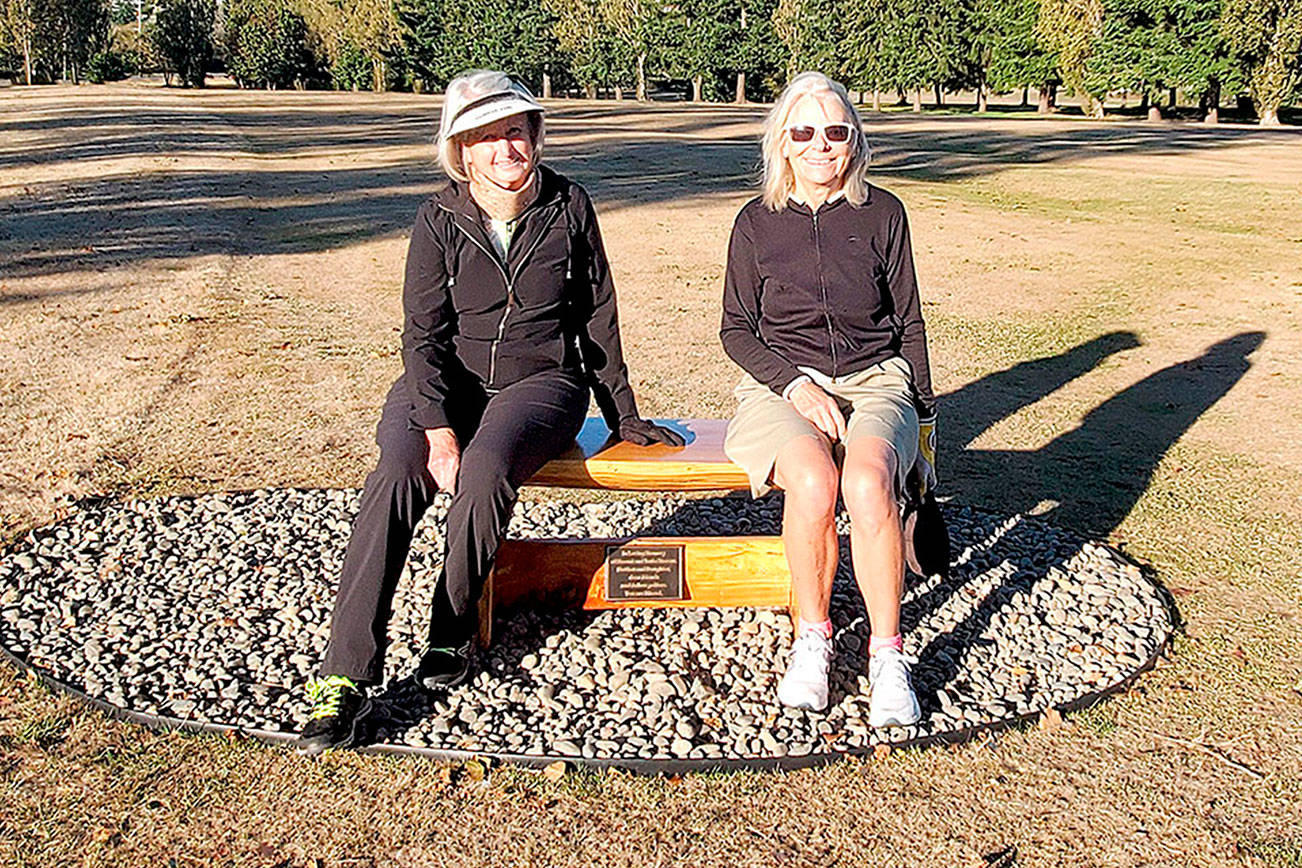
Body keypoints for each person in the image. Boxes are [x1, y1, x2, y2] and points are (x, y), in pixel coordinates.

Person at [295, 70, 682, 755]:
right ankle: (344, 677)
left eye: (515, 130)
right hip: (448, 381)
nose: (505, 148)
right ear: (461, 153)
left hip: (541, 384)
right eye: (485, 136)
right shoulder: (438, 219)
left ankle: (451, 627)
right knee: (395, 475)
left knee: (487, 466)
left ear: (535, 136)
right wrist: (437, 429)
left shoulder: (569, 206)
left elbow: (598, 317)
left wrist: (622, 413)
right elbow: (422, 334)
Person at [719, 72, 937, 726]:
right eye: (805, 131)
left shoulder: (884, 213)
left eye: (836, 131)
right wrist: (795, 384)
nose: (821, 144)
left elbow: (910, 323)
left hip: (876, 379)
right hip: (780, 383)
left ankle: (886, 656)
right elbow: (735, 328)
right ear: (782, 143)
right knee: (814, 481)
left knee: (868, 484)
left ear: (855, 141)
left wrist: (924, 429)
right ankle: (812, 640)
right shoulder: (756, 222)